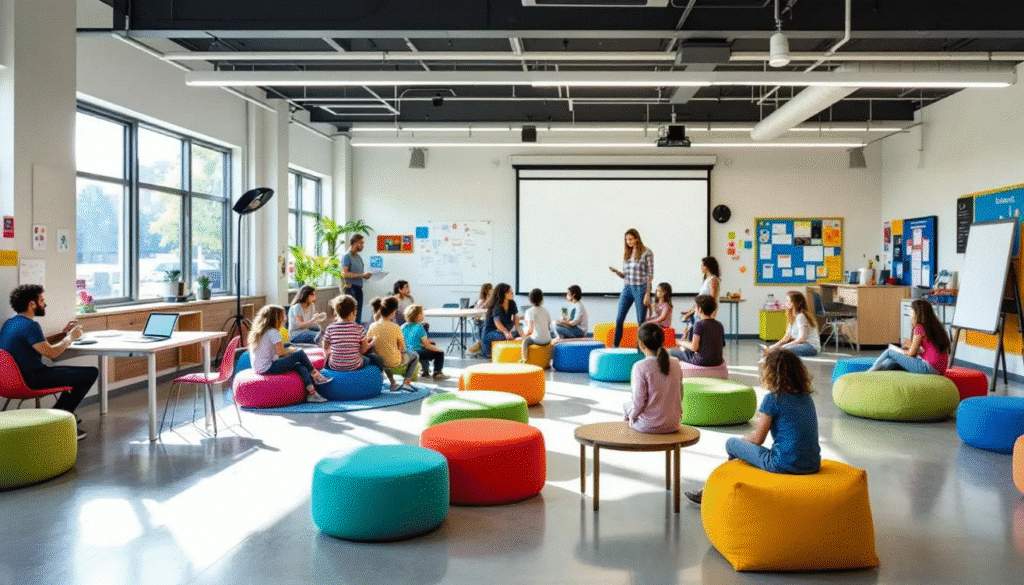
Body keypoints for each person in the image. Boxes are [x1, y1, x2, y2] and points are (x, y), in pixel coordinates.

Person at [686, 349, 821, 504]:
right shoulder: (807, 398)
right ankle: (720, 489)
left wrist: (743, 440)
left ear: (771, 373)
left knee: (731, 444)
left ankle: (713, 491)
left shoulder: (773, 399)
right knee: (745, 449)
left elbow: (758, 439)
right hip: (812, 464)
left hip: (784, 463)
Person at [0, 284, 97, 440]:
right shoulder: (31, 326)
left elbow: (40, 344)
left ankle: (60, 415)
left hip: (8, 383)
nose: (44, 304)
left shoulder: (10, 323)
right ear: (32, 304)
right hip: (33, 379)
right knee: (90, 373)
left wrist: (63, 334)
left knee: (73, 376)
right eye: (42, 300)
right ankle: (59, 421)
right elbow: (52, 353)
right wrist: (70, 338)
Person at [248, 305, 332, 402]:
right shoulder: (273, 332)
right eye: (282, 317)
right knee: (299, 352)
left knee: (300, 366)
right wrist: (292, 350)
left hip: (259, 367)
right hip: (267, 367)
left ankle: (312, 393)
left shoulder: (260, 331)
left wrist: (290, 350)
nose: (285, 319)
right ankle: (316, 374)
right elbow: (281, 352)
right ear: (276, 318)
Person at [623, 323, 683, 434]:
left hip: (648, 426)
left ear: (641, 344)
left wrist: (631, 417)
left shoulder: (640, 366)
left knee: (626, 407)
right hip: (674, 424)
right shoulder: (676, 363)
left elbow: (639, 402)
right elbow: (680, 393)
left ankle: (632, 437)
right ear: (662, 341)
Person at [867, 299, 950, 374]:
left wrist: (901, 351)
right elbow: (927, 350)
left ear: (916, 312)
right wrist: (907, 350)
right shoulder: (934, 327)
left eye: (911, 310)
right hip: (940, 369)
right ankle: (875, 371)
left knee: (889, 352)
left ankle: (869, 372)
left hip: (928, 368)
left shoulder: (919, 327)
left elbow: (911, 353)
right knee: (893, 361)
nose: (910, 312)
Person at [608, 228, 653, 347]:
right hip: (627, 288)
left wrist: (648, 293)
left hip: (641, 288)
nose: (629, 242)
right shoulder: (627, 253)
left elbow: (650, 275)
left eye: (631, 239)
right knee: (619, 318)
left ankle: (641, 347)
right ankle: (615, 346)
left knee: (641, 320)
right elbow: (626, 275)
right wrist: (617, 272)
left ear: (637, 238)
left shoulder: (646, 252)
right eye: (627, 240)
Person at [367, 296, 420, 391]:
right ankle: (406, 383)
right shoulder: (396, 327)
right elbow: (402, 348)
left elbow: (367, 341)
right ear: (393, 312)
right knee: (415, 356)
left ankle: (393, 383)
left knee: (383, 356)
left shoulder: (373, 326)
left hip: (380, 361)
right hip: (395, 361)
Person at [322, 294, 383, 372]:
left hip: (334, 365)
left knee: (328, 358)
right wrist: (371, 344)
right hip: (355, 365)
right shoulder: (359, 328)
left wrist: (328, 352)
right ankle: (381, 374)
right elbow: (363, 351)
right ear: (353, 312)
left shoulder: (330, 328)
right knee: (372, 358)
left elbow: (325, 346)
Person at [669, 295, 724, 367]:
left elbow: (694, 347)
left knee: (672, 352)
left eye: (695, 307)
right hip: (718, 361)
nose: (693, 309)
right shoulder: (719, 324)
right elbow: (722, 344)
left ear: (699, 309)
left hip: (702, 361)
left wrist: (680, 342)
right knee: (685, 349)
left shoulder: (699, 325)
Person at [762, 291, 820, 358]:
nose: (785, 303)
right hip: (800, 344)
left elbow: (802, 338)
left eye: (787, 301)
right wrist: (772, 346)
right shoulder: (791, 317)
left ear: (794, 303)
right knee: (778, 349)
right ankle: (768, 353)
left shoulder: (801, 316)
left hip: (810, 347)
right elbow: (786, 337)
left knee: (781, 351)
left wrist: (784, 346)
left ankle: (769, 356)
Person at [401, 304, 449, 380]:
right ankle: (437, 373)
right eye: (422, 314)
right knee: (439, 353)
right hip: (416, 352)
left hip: (406, 352)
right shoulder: (419, 327)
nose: (423, 316)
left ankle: (424, 370)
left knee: (427, 348)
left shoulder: (403, 326)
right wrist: (439, 349)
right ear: (417, 315)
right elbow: (427, 345)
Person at [681, 257, 720, 340]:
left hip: (705, 311)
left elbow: (712, 297)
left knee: (698, 334)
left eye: (703, 265)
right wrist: (691, 311)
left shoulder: (713, 280)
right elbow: (700, 298)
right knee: (692, 331)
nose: (701, 267)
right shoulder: (707, 279)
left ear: (708, 267)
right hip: (699, 310)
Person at [480, 283, 523, 359]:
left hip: (501, 331)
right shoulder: (497, 306)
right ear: (503, 294)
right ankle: (484, 348)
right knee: (503, 337)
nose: (512, 293)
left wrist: (519, 330)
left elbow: (516, 317)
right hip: (491, 332)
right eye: (509, 291)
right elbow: (497, 322)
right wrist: (506, 332)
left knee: (519, 334)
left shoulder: (512, 303)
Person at [341, 234, 373, 324]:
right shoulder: (347, 256)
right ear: (355, 242)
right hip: (351, 288)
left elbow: (360, 274)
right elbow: (345, 273)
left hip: (358, 288)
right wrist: (362, 275)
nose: (363, 245)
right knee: (351, 315)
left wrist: (366, 276)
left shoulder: (358, 257)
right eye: (361, 243)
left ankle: (357, 331)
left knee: (358, 315)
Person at [520, 288, 552, 362]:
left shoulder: (529, 311)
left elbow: (530, 330)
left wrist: (524, 336)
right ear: (542, 299)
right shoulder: (545, 310)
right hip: (547, 339)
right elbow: (549, 325)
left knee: (525, 341)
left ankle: (524, 358)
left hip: (537, 340)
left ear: (530, 299)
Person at [467, 283, 493, 355]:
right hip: (481, 321)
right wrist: (489, 299)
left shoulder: (491, 300)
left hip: (488, 320)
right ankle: (477, 349)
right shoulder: (481, 301)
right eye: (491, 289)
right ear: (487, 291)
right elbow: (482, 309)